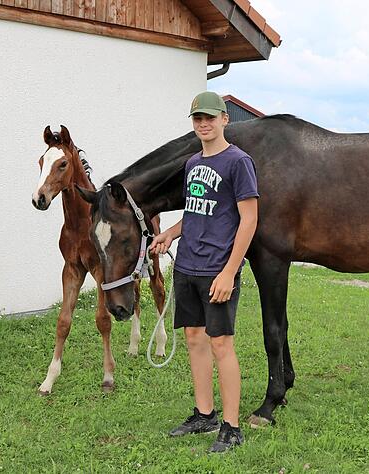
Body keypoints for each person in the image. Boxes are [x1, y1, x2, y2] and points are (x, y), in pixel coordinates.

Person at [148, 91, 259, 453]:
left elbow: (249, 220)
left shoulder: (238, 162)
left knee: (221, 343)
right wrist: (169, 233)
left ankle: (231, 426)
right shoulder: (193, 162)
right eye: (198, 119)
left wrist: (230, 271)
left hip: (216, 269)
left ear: (225, 119)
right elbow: (197, 210)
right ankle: (204, 413)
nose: (204, 124)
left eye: (210, 117)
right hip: (187, 265)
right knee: (194, 338)